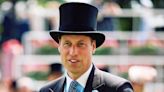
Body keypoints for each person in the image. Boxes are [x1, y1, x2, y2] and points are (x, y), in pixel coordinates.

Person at [39, 2, 133, 92]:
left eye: (81, 44)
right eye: (67, 44)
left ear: (93, 46)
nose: (73, 52)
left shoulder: (117, 89)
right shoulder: (46, 90)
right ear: (59, 46)